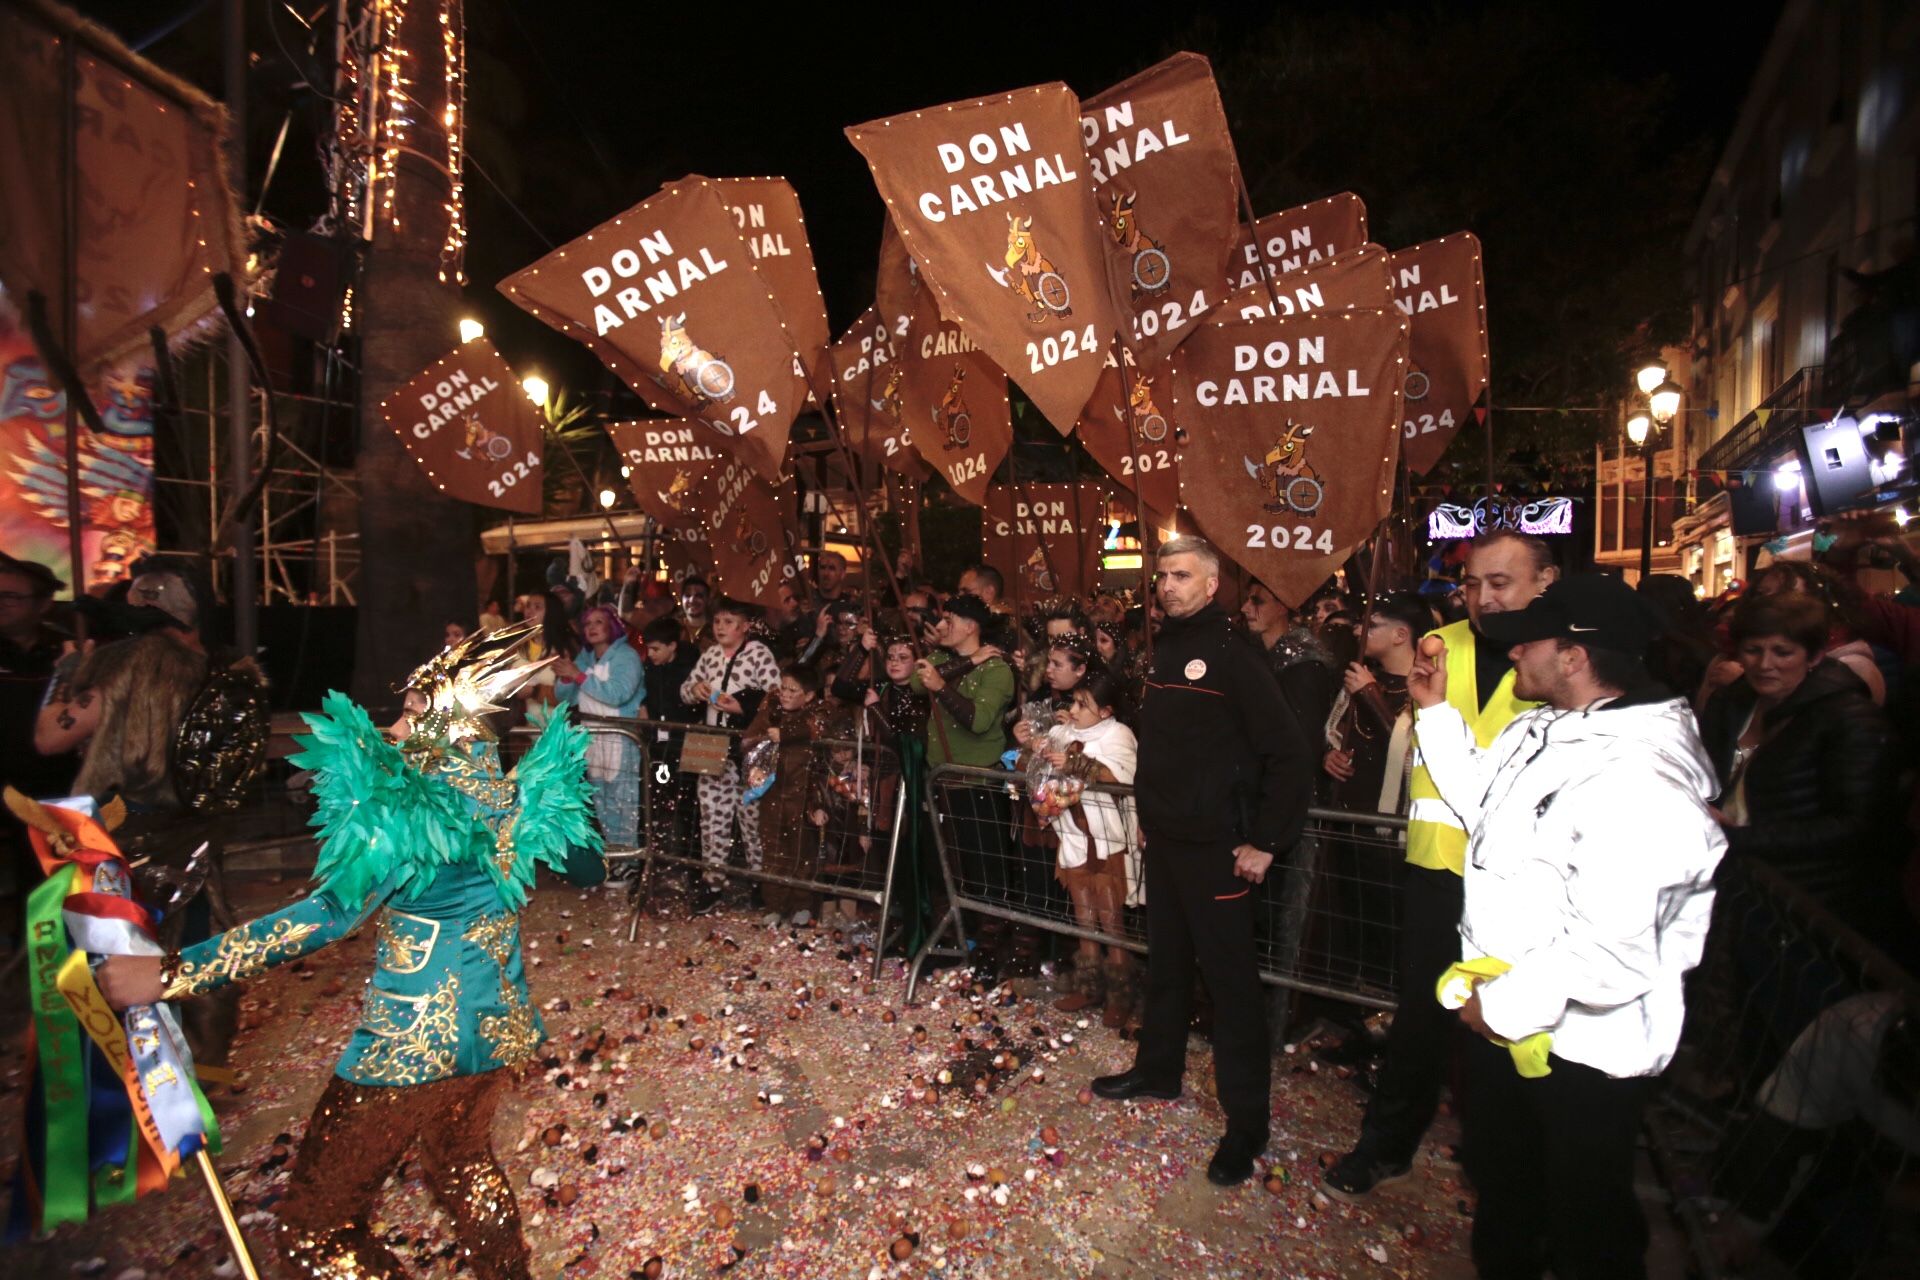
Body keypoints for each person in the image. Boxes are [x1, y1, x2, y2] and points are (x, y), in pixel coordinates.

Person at [94, 624, 604, 1280]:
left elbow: (329, 915)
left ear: (453, 718)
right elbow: (589, 866)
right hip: (494, 1031)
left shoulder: (411, 805)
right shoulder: (510, 793)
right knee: (462, 1165)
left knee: (315, 1228)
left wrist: (172, 972)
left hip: (411, 1044)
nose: (396, 724)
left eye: (415, 709)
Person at [1407, 574, 1724, 1280]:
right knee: (1505, 1197)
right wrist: (1434, 714)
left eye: (1531, 638)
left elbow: (1613, 951)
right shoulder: (1543, 728)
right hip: (1507, 1024)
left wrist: (1504, 1007)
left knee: (1588, 1230)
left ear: (1576, 656)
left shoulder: (1641, 779)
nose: (1513, 651)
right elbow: (1484, 808)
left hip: (1579, 1052)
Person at [1323, 530, 1554, 1202]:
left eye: (1501, 582)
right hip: (1435, 870)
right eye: (1472, 584)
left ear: (1544, 580)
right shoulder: (1438, 647)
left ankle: (1506, 1167)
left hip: (1520, 882)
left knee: (1513, 1027)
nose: (1483, 598)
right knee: (1420, 1017)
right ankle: (1386, 1146)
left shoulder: (1560, 657)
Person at [1091, 536, 1312, 1187]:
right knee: (1167, 970)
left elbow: (1290, 754)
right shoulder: (1166, 649)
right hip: (1168, 843)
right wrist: (1151, 823)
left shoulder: (1230, 653)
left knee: (1232, 992)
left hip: (1220, 850)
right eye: (1162, 576)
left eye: (1182, 575)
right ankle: (1159, 1071)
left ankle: (1246, 1125)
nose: (1168, 585)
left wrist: (1266, 841)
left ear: (1213, 585)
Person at [1696, 591, 1897, 913]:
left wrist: (1738, 837)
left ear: (1814, 656)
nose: (1765, 664)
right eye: (1753, 651)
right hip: (1725, 884)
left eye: (1782, 653)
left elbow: (1856, 826)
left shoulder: (1849, 718)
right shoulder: (1732, 701)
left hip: (1798, 900)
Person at [1025, 670, 1141, 1028]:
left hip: (1107, 842)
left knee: (1110, 919)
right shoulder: (1062, 733)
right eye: (1074, 701)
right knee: (1084, 915)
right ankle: (1089, 985)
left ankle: (1121, 992)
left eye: (1082, 704)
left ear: (1106, 711)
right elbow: (1038, 761)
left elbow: (1122, 775)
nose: (1073, 710)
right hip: (1073, 838)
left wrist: (1076, 763)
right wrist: (1033, 746)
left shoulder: (1118, 734)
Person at [911, 593, 1017, 926]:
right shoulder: (942, 657)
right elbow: (916, 682)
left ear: (970, 627)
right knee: (946, 863)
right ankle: (956, 930)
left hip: (975, 784)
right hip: (940, 781)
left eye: (949, 620)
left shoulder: (997, 670)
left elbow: (978, 721)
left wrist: (942, 686)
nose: (941, 626)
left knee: (983, 867)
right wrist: (967, 662)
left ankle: (987, 937)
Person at [680, 597, 780, 912]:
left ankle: (759, 882)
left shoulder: (759, 655)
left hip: (750, 745)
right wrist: (695, 691)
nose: (721, 627)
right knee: (712, 816)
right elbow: (684, 691)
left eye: (729, 621)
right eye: (718, 621)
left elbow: (777, 695)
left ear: (745, 626)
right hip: (710, 742)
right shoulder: (709, 655)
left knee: (752, 817)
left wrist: (743, 706)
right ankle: (713, 884)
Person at [0, 554, 77, 940]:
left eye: (11, 597)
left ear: (42, 603)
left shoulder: (64, 651)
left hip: (50, 787)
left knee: (47, 878)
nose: (1, 605)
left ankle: (40, 955)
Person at [554, 604, 646, 850]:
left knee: (623, 801)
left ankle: (628, 857)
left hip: (621, 738)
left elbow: (619, 694)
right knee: (601, 800)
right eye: (587, 624)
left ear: (611, 626)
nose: (592, 628)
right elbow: (567, 697)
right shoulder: (584, 658)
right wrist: (565, 677)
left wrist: (579, 676)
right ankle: (613, 854)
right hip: (592, 737)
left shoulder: (627, 656)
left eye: (598, 622)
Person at [1242, 577, 1339, 758]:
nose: (1245, 608)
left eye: (1257, 601)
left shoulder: (1303, 665)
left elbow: (1305, 740)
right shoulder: (1252, 655)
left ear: (1283, 606)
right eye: (1247, 599)